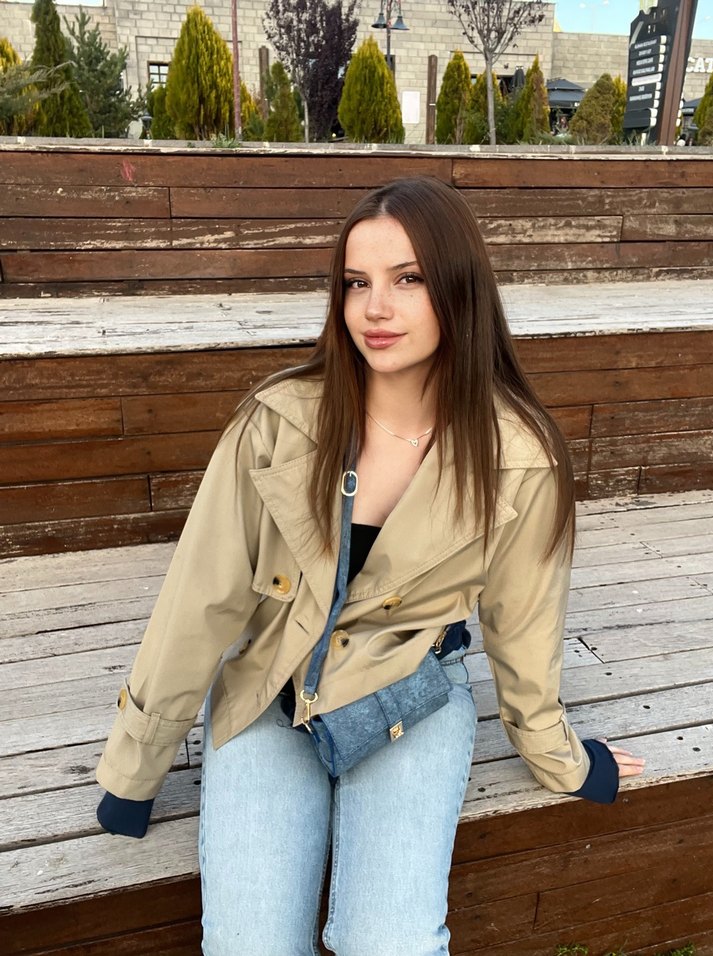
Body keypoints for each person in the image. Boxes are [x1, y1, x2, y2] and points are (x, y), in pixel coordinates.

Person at [95, 176, 645, 955]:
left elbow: (523, 627)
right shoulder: (276, 423)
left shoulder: (519, 455)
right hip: (273, 685)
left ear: (458, 288)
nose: (374, 309)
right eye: (356, 283)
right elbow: (200, 600)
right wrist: (136, 765)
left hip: (410, 692)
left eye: (407, 279)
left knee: (387, 942)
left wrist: (561, 758)